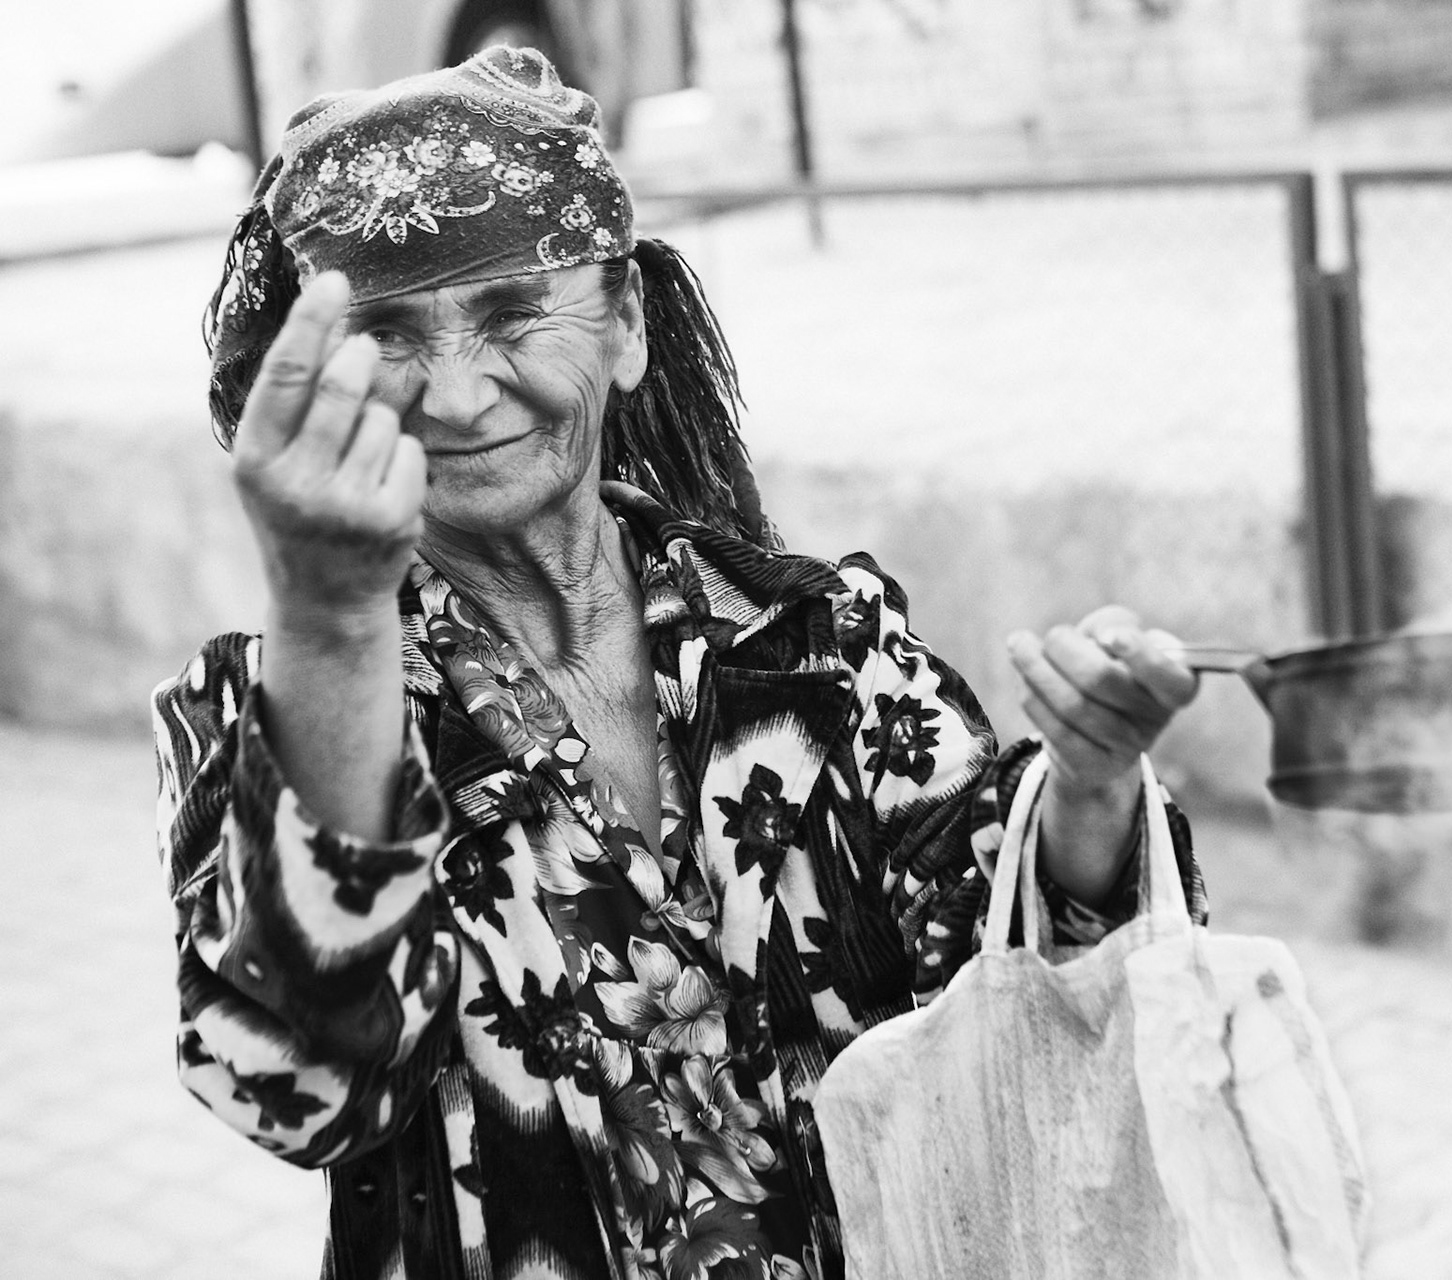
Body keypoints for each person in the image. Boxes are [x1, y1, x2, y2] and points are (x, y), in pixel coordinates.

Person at [154, 46, 1205, 1280]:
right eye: (387, 333)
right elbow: (300, 1089)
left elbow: (1023, 975)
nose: (456, 393)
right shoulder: (276, 707)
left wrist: (1090, 786)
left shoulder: (816, 643)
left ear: (627, 328)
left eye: (510, 313)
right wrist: (332, 616)